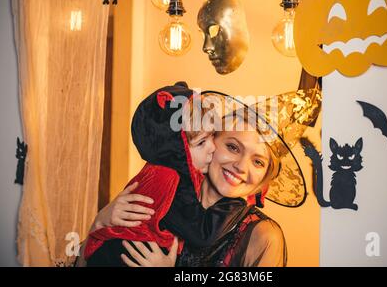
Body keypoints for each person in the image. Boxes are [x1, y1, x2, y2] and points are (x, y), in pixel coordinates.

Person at [89, 88, 322, 266]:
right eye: (232, 147)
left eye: (258, 162)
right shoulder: (165, 191)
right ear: (212, 142)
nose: (241, 166)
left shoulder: (262, 237)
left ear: (264, 179)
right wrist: (99, 223)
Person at [82, 82, 250, 266]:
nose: (212, 147)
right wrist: (239, 202)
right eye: (201, 142)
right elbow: (201, 233)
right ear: (177, 148)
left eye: (212, 136)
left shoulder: (164, 170)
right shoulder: (169, 177)